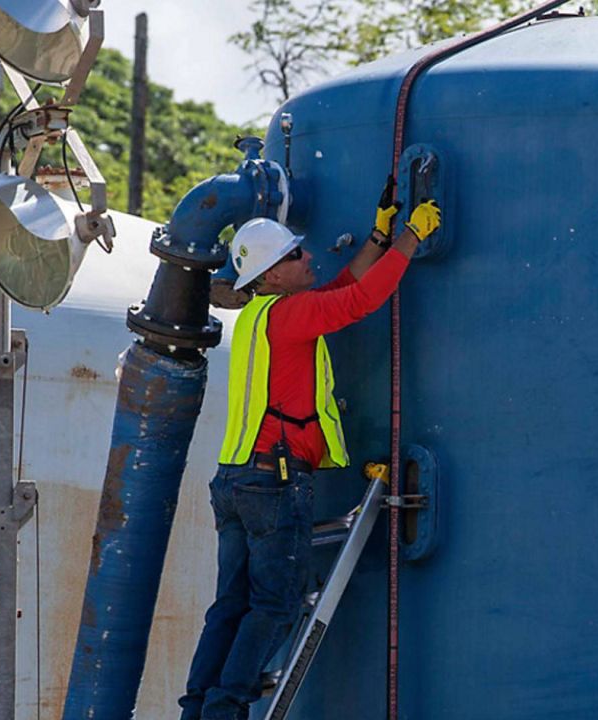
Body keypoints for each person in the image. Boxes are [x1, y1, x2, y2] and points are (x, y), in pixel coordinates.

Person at [178, 179, 441, 720]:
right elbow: (361, 301)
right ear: (272, 274)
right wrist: (412, 239)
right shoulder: (291, 315)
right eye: (295, 255)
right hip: (272, 481)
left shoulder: (262, 315)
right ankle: (226, 710)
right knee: (274, 605)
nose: (308, 256)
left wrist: (378, 237)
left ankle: (198, 708)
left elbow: (342, 285)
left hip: (234, 481)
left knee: (230, 606)